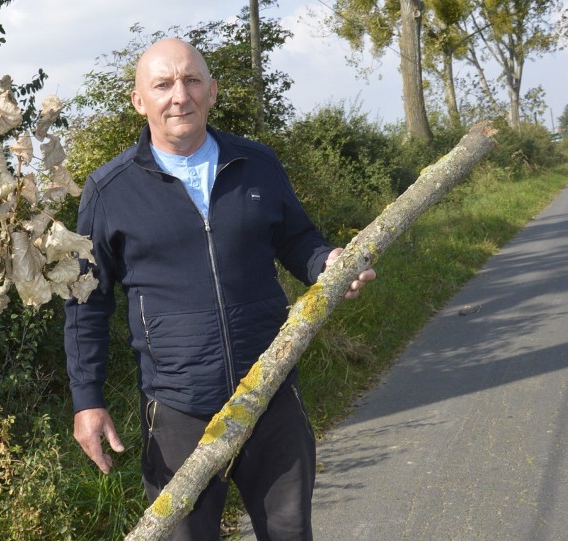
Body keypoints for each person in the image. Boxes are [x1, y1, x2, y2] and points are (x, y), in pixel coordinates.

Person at [64, 37, 376, 541]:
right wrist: (87, 400)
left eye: (191, 80)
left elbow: (298, 239)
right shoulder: (109, 190)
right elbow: (86, 304)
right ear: (139, 101)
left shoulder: (257, 163)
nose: (179, 95)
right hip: (177, 407)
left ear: (212, 90)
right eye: (162, 84)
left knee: (290, 532)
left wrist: (327, 264)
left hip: (270, 388)